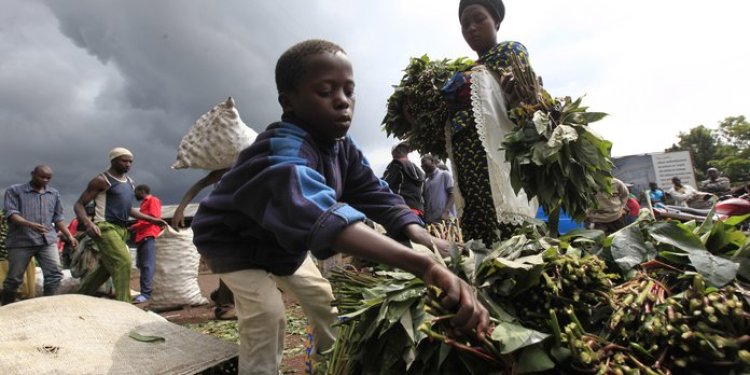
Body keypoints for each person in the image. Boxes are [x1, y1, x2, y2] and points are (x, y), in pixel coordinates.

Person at [190, 39, 489, 374]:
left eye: (349, 90)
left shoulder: (340, 147)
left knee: (325, 301)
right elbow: (319, 212)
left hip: (278, 243)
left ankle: (329, 366)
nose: (343, 102)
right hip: (234, 242)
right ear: (289, 102)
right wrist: (423, 266)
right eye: (326, 91)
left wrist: (424, 238)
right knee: (266, 313)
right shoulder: (283, 153)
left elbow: (375, 193)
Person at [434, 0, 538, 246]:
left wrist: (519, 96)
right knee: (477, 230)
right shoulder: (463, 71)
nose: (471, 28)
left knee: (504, 226)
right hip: (465, 160)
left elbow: (522, 104)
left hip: (493, 155)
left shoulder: (510, 51)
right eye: (464, 24)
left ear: (497, 22)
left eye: (479, 19)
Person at [73, 147, 166, 302]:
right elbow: (79, 205)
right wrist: (89, 224)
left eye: (130, 161)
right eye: (124, 161)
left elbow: (128, 209)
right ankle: (125, 304)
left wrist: (152, 219)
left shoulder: (129, 182)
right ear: (113, 160)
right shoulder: (102, 180)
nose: (128, 164)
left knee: (106, 267)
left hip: (121, 229)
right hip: (104, 227)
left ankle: (79, 296)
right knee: (123, 261)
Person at [2, 165, 77, 305]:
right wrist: (30, 225)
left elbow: (58, 218)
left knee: (54, 274)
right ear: (32, 174)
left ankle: (45, 306)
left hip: (46, 241)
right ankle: (6, 308)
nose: (44, 180)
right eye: (41, 176)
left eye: (48, 178)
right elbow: (12, 214)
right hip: (21, 242)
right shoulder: (15, 191)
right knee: (14, 278)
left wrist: (69, 235)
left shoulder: (53, 193)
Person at [128, 184, 162, 303]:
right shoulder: (143, 204)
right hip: (142, 237)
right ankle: (146, 291)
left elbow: (154, 219)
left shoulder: (153, 200)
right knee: (142, 265)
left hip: (149, 235)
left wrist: (134, 227)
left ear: (142, 191)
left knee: (147, 265)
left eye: (136, 192)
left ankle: (146, 294)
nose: (135, 195)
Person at [382, 142, 425, 218]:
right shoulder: (417, 169)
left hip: (401, 209)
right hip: (418, 210)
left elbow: (384, 184)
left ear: (395, 153)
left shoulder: (396, 165)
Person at [421, 154, 456, 224]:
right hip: (432, 222)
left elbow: (453, 194)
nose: (424, 167)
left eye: (425, 164)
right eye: (422, 166)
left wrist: (446, 212)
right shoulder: (426, 182)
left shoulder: (444, 175)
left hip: (446, 220)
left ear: (432, 162)